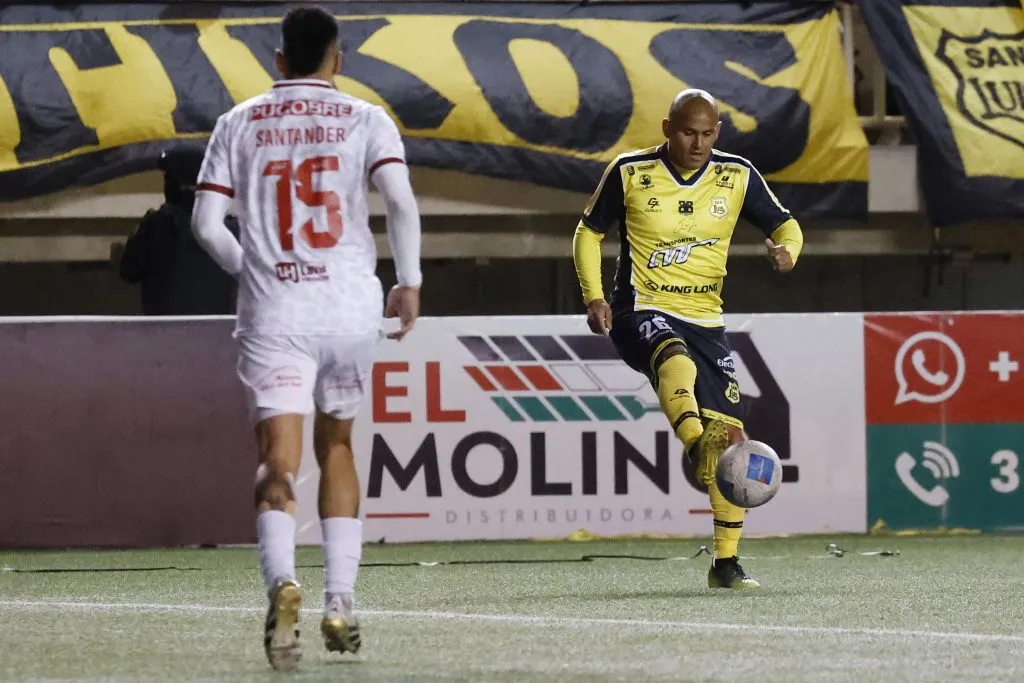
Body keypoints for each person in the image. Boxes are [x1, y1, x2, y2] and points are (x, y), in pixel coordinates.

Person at [190, 6, 422, 671]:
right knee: (339, 445)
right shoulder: (367, 118)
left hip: (277, 313)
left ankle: (280, 584)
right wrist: (408, 279)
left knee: (278, 460)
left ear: (278, 59)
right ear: (336, 60)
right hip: (348, 308)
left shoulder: (238, 122)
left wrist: (254, 269)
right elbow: (400, 201)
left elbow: (207, 223)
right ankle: (341, 599)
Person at [572, 89, 803, 590]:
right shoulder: (630, 171)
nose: (697, 143)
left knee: (733, 440)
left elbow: (785, 224)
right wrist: (594, 297)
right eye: (686, 132)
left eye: (707, 133)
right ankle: (697, 446)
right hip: (641, 310)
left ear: (717, 131)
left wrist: (788, 251)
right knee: (676, 363)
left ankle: (725, 564)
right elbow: (588, 232)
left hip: (707, 321)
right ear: (666, 128)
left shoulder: (737, 174)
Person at [116, 145, 239, 315]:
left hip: (166, 336)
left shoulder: (157, 224)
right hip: (218, 337)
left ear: (175, 184)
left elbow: (128, 272)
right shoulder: (233, 229)